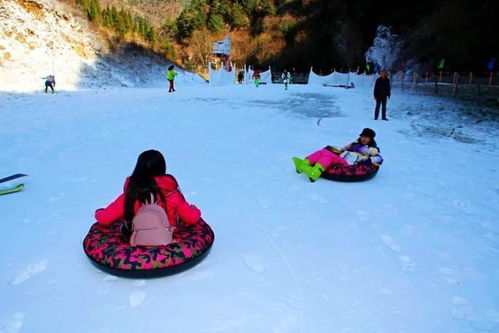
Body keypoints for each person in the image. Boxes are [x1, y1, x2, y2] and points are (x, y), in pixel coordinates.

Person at [94, 150, 201, 237]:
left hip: (137, 236)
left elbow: (104, 219)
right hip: (167, 235)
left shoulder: (131, 194)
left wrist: (99, 212)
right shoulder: (172, 194)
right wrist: (195, 209)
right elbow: (192, 218)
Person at [292, 128, 383, 182]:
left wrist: (369, 160)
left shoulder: (371, 149)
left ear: (370, 139)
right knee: (323, 152)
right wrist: (334, 148)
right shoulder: (354, 144)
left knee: (329, 156)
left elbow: (379, 158)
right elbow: (342, 149)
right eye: (362, 136)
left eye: (366, 137)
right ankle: (304, 163)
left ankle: (315, 172)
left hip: (348, 163)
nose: (363, 139)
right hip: (341, 158)